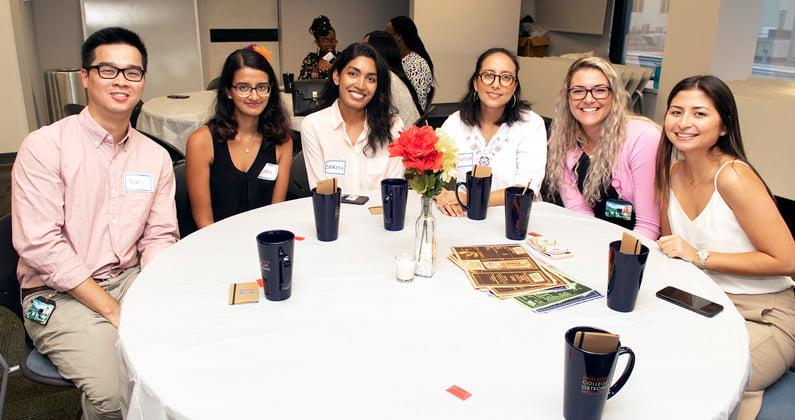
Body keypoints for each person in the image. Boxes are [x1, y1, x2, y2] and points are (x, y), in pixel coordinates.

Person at [11, 27, 179, 419]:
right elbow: (40, 245)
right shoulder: (45, 146)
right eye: (108, 70)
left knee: (181, 350)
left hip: (130, 277)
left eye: (132, 72)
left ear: (143, 81)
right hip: (55, 295)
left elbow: (159, 235)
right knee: (115, 390)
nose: (121, 81)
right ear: (85, 77)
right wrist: (112, 309)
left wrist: (155, 291)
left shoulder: (154, 157)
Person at [655, 75, 795, 420]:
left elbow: (787, 259)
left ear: (723, 126)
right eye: (676, 111)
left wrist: (700, 257)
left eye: (699, 114)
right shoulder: (671, 173)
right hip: (703, 303)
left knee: (701, 375)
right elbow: (672, 249)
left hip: (761, 313)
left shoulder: (733, 176)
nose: (684, 123)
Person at [544, 57, 661, 239]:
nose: (588, 99)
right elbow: (578, 210)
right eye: (578, 91)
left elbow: (648, 226)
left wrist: (616, 259)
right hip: (594, 239)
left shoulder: (643, 137)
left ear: (614, 96)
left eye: (599, 90)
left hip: (637, 247)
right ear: (568, 97)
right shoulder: (562, 141)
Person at [186, 45, 293, 229]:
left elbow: (276, 214)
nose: (254, 96)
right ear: (228, 90)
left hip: (264, 243)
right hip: (215, 245)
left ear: (271, 90)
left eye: (262, 87)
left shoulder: (282, 141)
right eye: (243, 87)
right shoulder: (202, 142)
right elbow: (204, 223)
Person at [435, 47, 547, 217]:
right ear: (475, 82)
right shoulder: (455, 123)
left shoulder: (531, 125)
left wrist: (469, 198)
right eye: (488, 75)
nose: (496, 84)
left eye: (506, 78)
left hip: (514, 219)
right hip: (464, 218)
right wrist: (440, 194)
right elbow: (428, 170)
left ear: (514, 86)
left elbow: (527, 187)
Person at [300, 42, 404, 195]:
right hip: (335, 216)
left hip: (378, 217)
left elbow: (393, 191)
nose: (361, 85)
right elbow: (322, 192)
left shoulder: (393, 126)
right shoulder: (313, 126)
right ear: (337, 76)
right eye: (353, 74)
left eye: (371, 79)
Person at [364, 30, 423, 126]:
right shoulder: (393, 74)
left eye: (365, 48)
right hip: (410, 131)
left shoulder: (382, 76)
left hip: (403, 136)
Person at [386, 16, 434, 110]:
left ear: (399, 36)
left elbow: (416, 105)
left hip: (409, 120)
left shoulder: (417, 66)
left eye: (388, 35)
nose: (385, 39)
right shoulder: (400, 60)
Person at [299, 15, 339, 80]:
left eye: (333, 40)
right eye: (325, 40)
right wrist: (316, 69)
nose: (330, 43)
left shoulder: (342, 57)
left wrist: (332, 68)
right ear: (318, 43)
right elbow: (301, 79)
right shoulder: (311, 59)